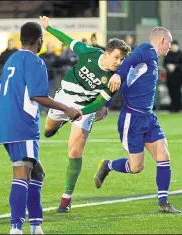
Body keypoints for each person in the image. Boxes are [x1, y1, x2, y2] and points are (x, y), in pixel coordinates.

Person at [0, 21, 81, 234]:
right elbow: (38, 96)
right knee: (22, 172)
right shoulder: (35, 62)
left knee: (37, 173)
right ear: (39, 40)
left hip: (6, 125)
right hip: (24, 126)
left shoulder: (11, 60)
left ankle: (36, 225)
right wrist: (66, 109)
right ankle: (16, 227)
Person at [39, 16, 131, 213]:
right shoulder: (89, 52)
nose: (119, 62)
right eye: (116, 57)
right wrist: (49, 28)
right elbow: (67, 39)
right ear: (106, 53)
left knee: (75, 151)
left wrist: (81, 112)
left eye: (122, 59)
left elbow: (99, 102)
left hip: (85, 109)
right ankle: (60, 123)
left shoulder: (114, 78)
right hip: (63, 100)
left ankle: (66, 199)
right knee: (47, 131)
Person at [94, 26, 181, 213]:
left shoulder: (152, 59)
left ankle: (163, 203)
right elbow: (128, 62)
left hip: (148, 117)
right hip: (132, 118)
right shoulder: (145, 50)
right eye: (170, 42)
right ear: (163, 40)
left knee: (163, 155)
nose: (170, 46)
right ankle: (107, 165)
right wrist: (116, 75)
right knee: (136, 167)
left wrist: (108, 101)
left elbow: (127, 76)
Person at [163, 40, 182, 113]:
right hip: (170, 76)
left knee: (177, 91)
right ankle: (172, 107)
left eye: (175, 45)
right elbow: (164, 63)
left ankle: (178, 107)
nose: (173, 47)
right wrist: (168, 67)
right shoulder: (168, 54)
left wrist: (175, 67)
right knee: (171, 91)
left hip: (178, 75)